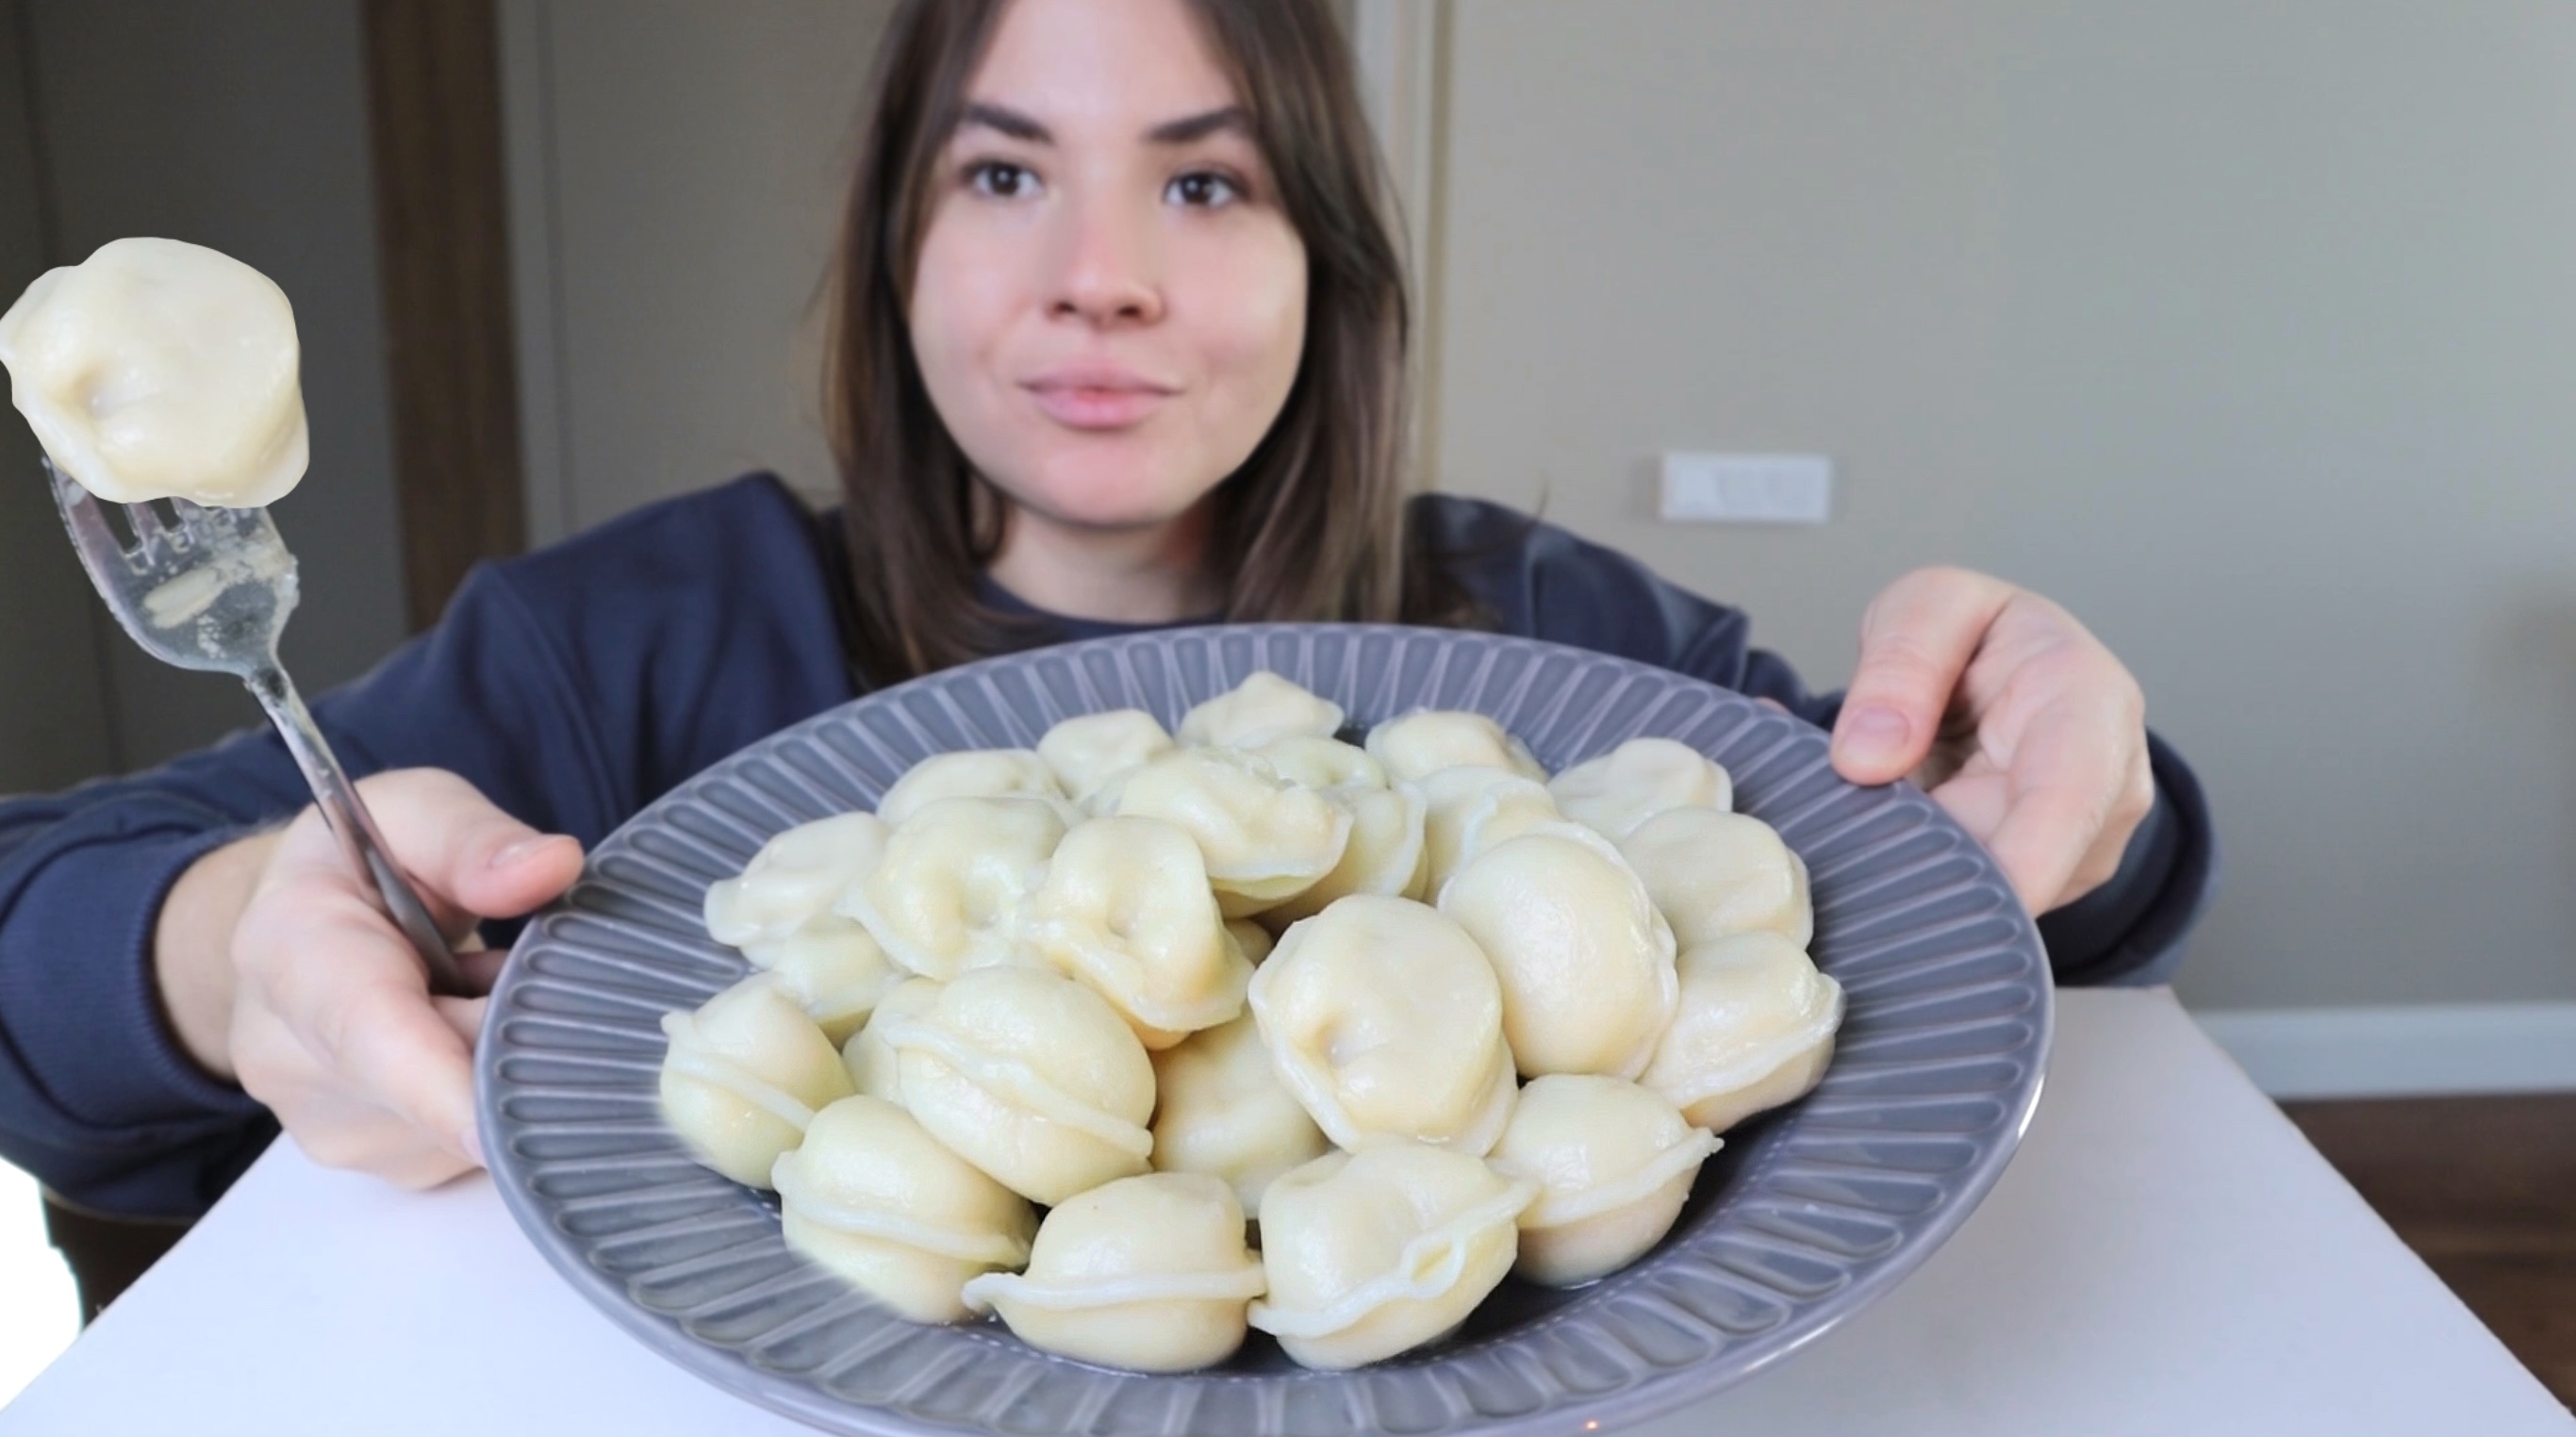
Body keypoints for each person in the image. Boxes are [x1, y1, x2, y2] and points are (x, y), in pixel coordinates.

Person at [0, 0, 2210, 1298]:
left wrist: (2078, 786)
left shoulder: (1545, 651)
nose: (1099, 279)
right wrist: (229, 947)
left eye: (1203, 183)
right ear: (894, 246)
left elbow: (1942, 877)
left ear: (1326, 264)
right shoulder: (627, 652)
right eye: (1000, 177)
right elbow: (30, 939)